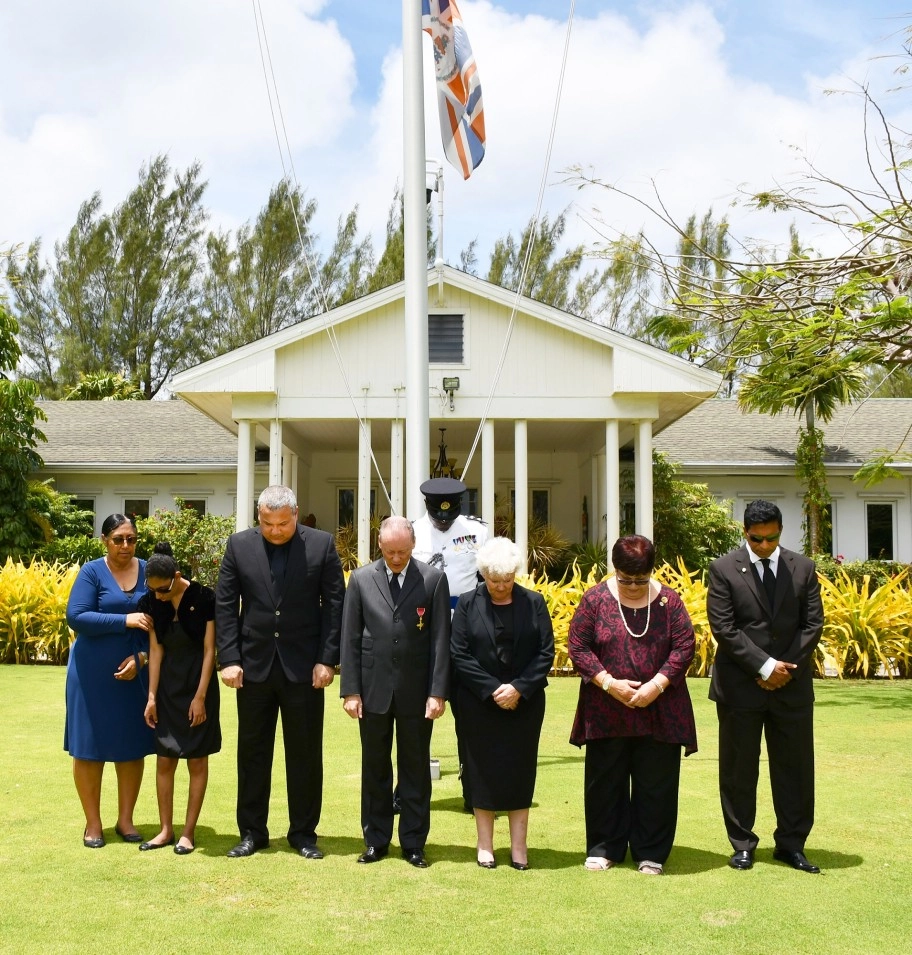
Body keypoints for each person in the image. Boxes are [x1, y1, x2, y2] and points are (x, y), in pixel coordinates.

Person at [215, 485, 345, 859]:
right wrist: (230, 658)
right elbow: (225, 604)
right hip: (253, 667)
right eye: (268, 523)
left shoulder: (320, 545)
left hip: (305, 668)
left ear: (296, 514)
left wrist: (327, 659)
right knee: (252, 753)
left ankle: (303, 833)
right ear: (259, 517)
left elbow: (335, 604)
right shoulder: (239, 545)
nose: (275, 530)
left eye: (283, 524)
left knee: (305, 753)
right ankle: (252, 832)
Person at [707, 499, 824, 874]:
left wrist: (785, 668)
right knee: (739, 769)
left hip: (792, 685)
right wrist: (764, 665)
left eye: (771, 539)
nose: (764, 546)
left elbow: (813, 623)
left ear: (780, 532)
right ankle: (742, 844)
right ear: (745, 533)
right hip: (740, 686)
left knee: (795, 768)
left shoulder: (803, 568)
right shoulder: (723, 569)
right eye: (757, 539)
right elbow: (724, 627)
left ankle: (791, 844)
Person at [568, 535, 697, 876]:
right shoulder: (595, 600)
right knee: (605, 781)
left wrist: (656, 685)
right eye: (626, 579)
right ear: (615, 569)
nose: (634, 586)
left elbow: (684, 646)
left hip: (660, 708)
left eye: (641, 580)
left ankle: (650, 851)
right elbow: (578, 646)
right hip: (606, 708)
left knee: (656, 782)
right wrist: (610, 684)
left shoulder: (670, 602)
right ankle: (604, 847)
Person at [340, 516, 451, 868]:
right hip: (371, 691)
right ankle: (376, 840)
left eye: (403, 551)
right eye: (390, 552)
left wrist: (438, 692)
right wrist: (351, 691)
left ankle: (414, 842)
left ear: (413, 544)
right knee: (374, 766)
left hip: (417, 693)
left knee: (415, 767)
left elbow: (440, 642)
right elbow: (351, 638)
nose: (397, 558)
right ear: (379, 544)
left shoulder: (433, 580)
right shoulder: (359, 579)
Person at [450, 537, 554, 870]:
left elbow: (545, 652)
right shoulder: (467, 604)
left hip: (525, 704)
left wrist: (519, 689)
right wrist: (495, 689)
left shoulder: (534, 603)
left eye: (507, 580)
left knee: (519, 771)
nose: (500, 586)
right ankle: (485, 846)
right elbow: (460, 654)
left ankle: (519, 848)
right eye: (494, 581)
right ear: (483, 575)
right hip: (479, 703)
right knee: (481, 771)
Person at [64, 514, 155, 848]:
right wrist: (126, 620)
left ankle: (126, 820)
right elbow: (77, 616)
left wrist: (141, 659)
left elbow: (163, 621)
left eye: (131, 539)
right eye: (118, 539)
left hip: (135, 671)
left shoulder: (148, 570)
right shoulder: (92, 572)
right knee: (88, 748)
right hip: (90, 676)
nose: (126, 546)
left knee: (132, 746)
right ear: (104, 540)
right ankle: (93, 823)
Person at [412, 476, 488, 810]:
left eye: (449, 514)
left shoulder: (478, 532)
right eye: (436, 514)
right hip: (422, 627)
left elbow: (486, 581)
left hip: (466, 629)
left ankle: (474, 790)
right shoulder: (412, 530)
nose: (442, 520)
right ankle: (410, 791)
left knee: (470, 716)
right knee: (415, 715)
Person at [139, 542, 220, 855]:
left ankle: (187, 833)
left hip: (198, 685)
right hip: (168, 688)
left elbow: (210, 650)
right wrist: (151, 697)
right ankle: (164, 830)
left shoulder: (204, 598)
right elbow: (156, 651)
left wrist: (200, 697)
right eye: (153, 590)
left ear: (176, 576)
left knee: (197, 759)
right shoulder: (152, 601)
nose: (158, 596)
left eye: (162, 589)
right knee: (164, 759)